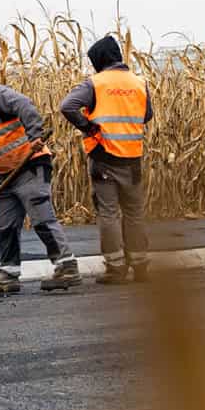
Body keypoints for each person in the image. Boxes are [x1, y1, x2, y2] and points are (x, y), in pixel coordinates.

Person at [0, 77, 81, 295]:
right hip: (4, 178)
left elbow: (24, 105)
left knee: (41, 218)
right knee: (5, 225)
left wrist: (35, 135)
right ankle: (8, 273)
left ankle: (66, 266)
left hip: (29, 167)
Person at [59, 35, 153, 284]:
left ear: (99, 60)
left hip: (105, 156)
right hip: (133, 157)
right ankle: (140, 264)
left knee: (109, 213)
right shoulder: (139, 82)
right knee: (134, 212)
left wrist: (88, 128)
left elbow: (67, 106)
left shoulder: (95, 83)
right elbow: (147, 115)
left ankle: (116, 267)